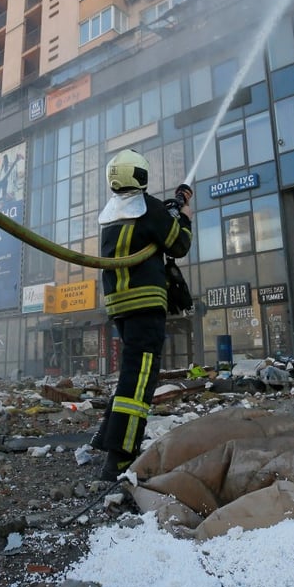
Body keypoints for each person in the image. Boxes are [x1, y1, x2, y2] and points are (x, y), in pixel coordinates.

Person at [92, 149, 192, 481]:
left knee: (130, 373)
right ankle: (120, 457)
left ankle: (107, 436)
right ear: (142, 176)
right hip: (146, 306)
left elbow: (150, 230)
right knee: (141, 380)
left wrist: (170, 209)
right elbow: (179, 244)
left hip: (121, 307)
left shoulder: (110, 215)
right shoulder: (148, 209)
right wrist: (182, 215)